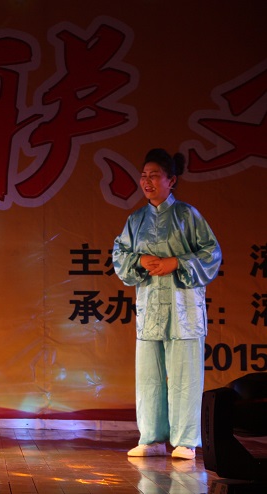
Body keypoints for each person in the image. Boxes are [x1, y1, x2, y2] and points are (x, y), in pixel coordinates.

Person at [112, 148, 221, 460]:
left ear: (171, 180)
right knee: (150, 375)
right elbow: (120, 254)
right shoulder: (136, 220)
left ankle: (186, 441)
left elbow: (211, 253)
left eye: (154, 176)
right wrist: (139, 260)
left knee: (185, 375)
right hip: (150, 307)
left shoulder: (188, 216)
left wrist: (177, 262)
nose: (147, 181)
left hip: (183, 307)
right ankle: (152, 438)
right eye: (144, 176)